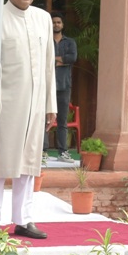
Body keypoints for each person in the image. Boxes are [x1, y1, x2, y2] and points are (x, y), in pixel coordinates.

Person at [0, 0, 55, 239]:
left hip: (35, 105)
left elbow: (49, 65)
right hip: (3, 105)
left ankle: (24, 220)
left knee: (29, 164)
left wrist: (50, 105)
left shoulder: (43, 18)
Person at [50, 11, 77, 161]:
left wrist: (54, 60)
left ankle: (62, 152)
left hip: (64, 85)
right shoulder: (46, 41)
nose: (56, 25)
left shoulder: (70, 42)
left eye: (58, 22)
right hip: (47, 86)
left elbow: (72, 58)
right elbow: (44, 59)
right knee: (43, 119)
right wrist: (61, 60)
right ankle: (43, 152)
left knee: (62, 120)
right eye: (53, 22)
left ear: (62, 25)